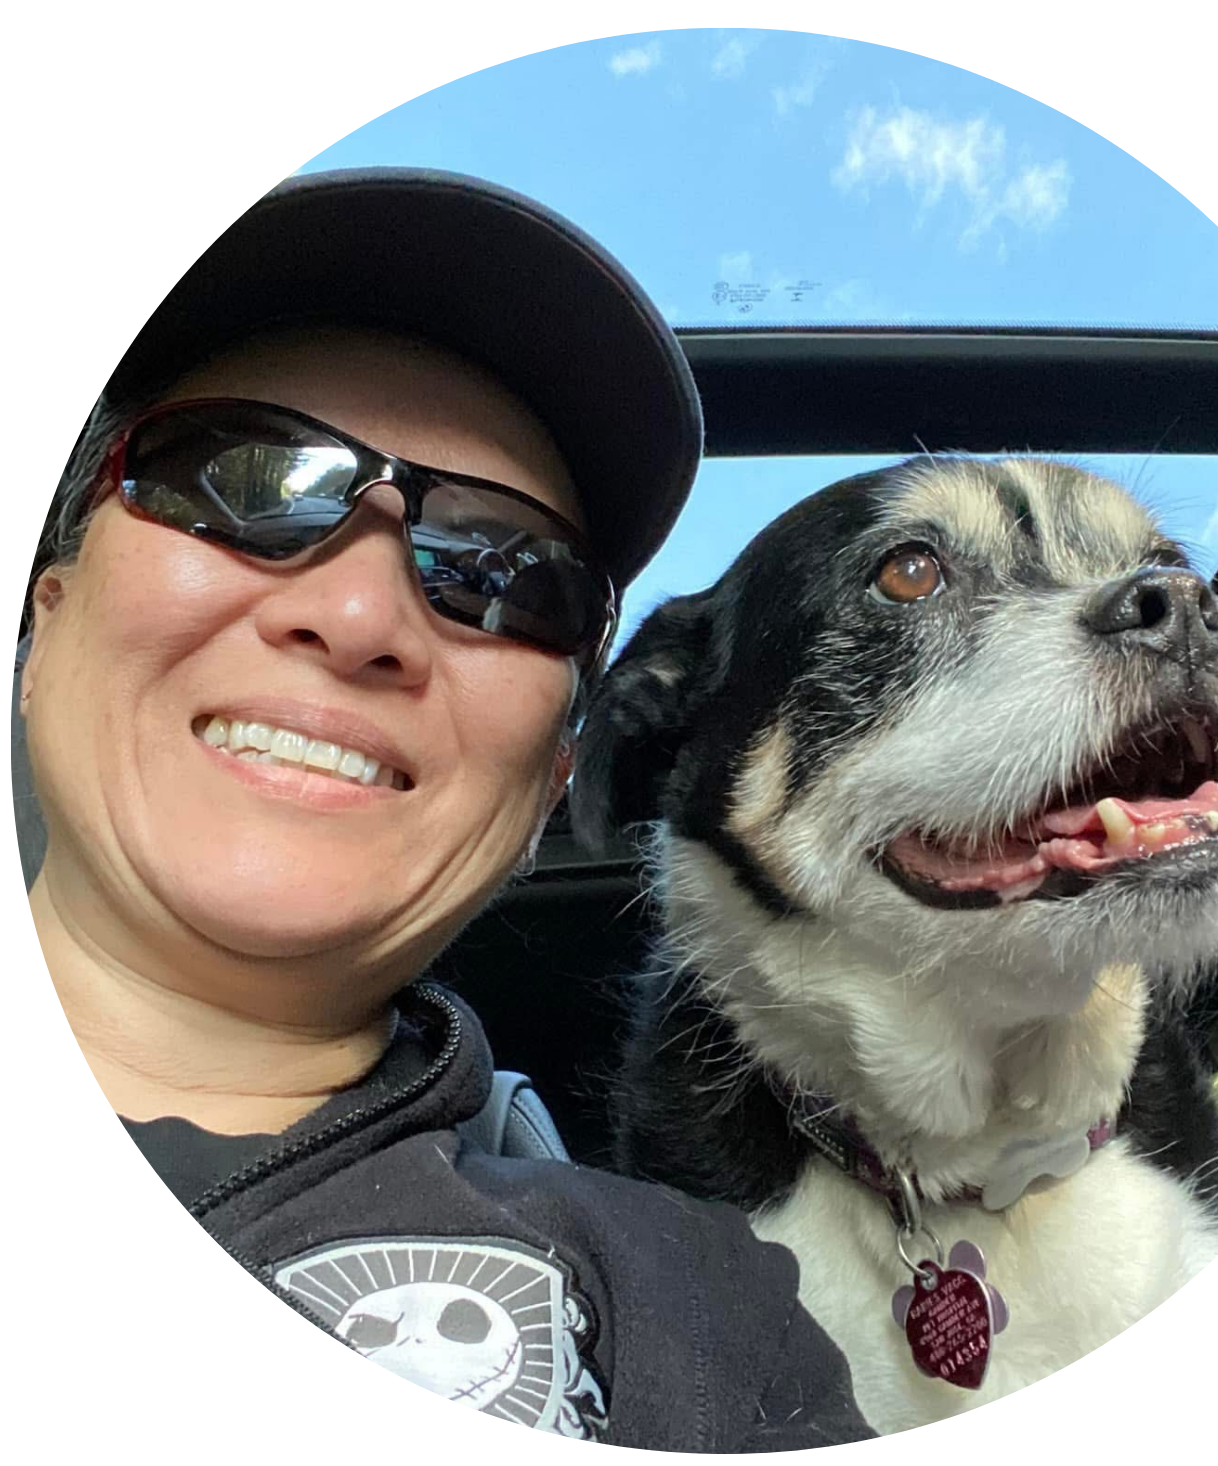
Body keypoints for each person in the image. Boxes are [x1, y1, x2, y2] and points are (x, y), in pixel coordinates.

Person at [17, 168, 876, 1448]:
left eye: (504, 574)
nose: (360, 616)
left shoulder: (699, 1319)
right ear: (47, 613)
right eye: (249, 482)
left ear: (549, 782)